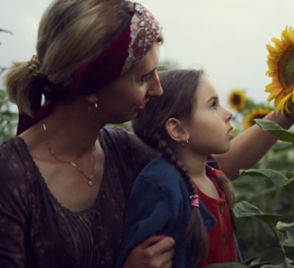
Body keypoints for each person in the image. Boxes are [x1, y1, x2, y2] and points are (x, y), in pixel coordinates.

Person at [0, 0, 175, 267]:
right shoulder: (10, 177)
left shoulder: (122, 150)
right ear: (92, 86)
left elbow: (203, 171)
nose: (157, 89)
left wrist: (265, 124)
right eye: (143, 78)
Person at [116, 68, 294, 267]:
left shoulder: (212, 176)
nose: (228, 114)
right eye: (213, 105)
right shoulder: (160, 184)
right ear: (177, 129)